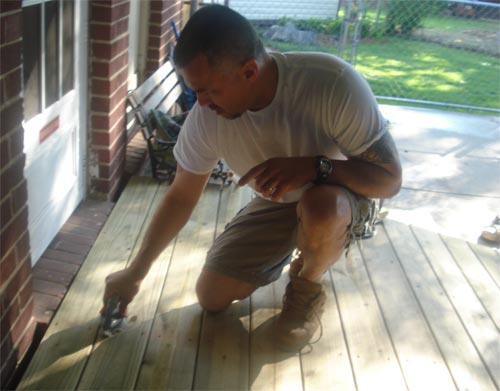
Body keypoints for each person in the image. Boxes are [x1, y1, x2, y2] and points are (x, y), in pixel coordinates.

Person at [103, 4, 402, 351]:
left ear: (249, 71)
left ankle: (307, 282)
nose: (200, 104)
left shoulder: (332, 83)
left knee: (321, 206)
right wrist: (135, 273)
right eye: (194, 90)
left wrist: (315, 167)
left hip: (340, 194)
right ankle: (301, 242)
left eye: (210, 90)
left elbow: (389, 181)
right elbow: (181, 196)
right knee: (211, 297)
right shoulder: (207, 115)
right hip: (277, 200)